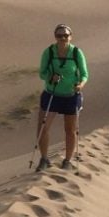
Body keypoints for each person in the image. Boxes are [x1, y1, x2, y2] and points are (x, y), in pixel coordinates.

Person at [35, 23, 88, 171]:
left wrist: (81, 85)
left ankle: (68, 161)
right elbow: (42, 73)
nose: (63, 38)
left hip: (71, 95)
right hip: (52, 94)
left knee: (70, 130)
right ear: (55, 37)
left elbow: (84, 74)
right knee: (42, 128)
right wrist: (50, 76)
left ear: (71, 37)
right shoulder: (49, 52)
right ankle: (44, 159)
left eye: (65, 35)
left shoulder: (77, 53)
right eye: (59, 35)